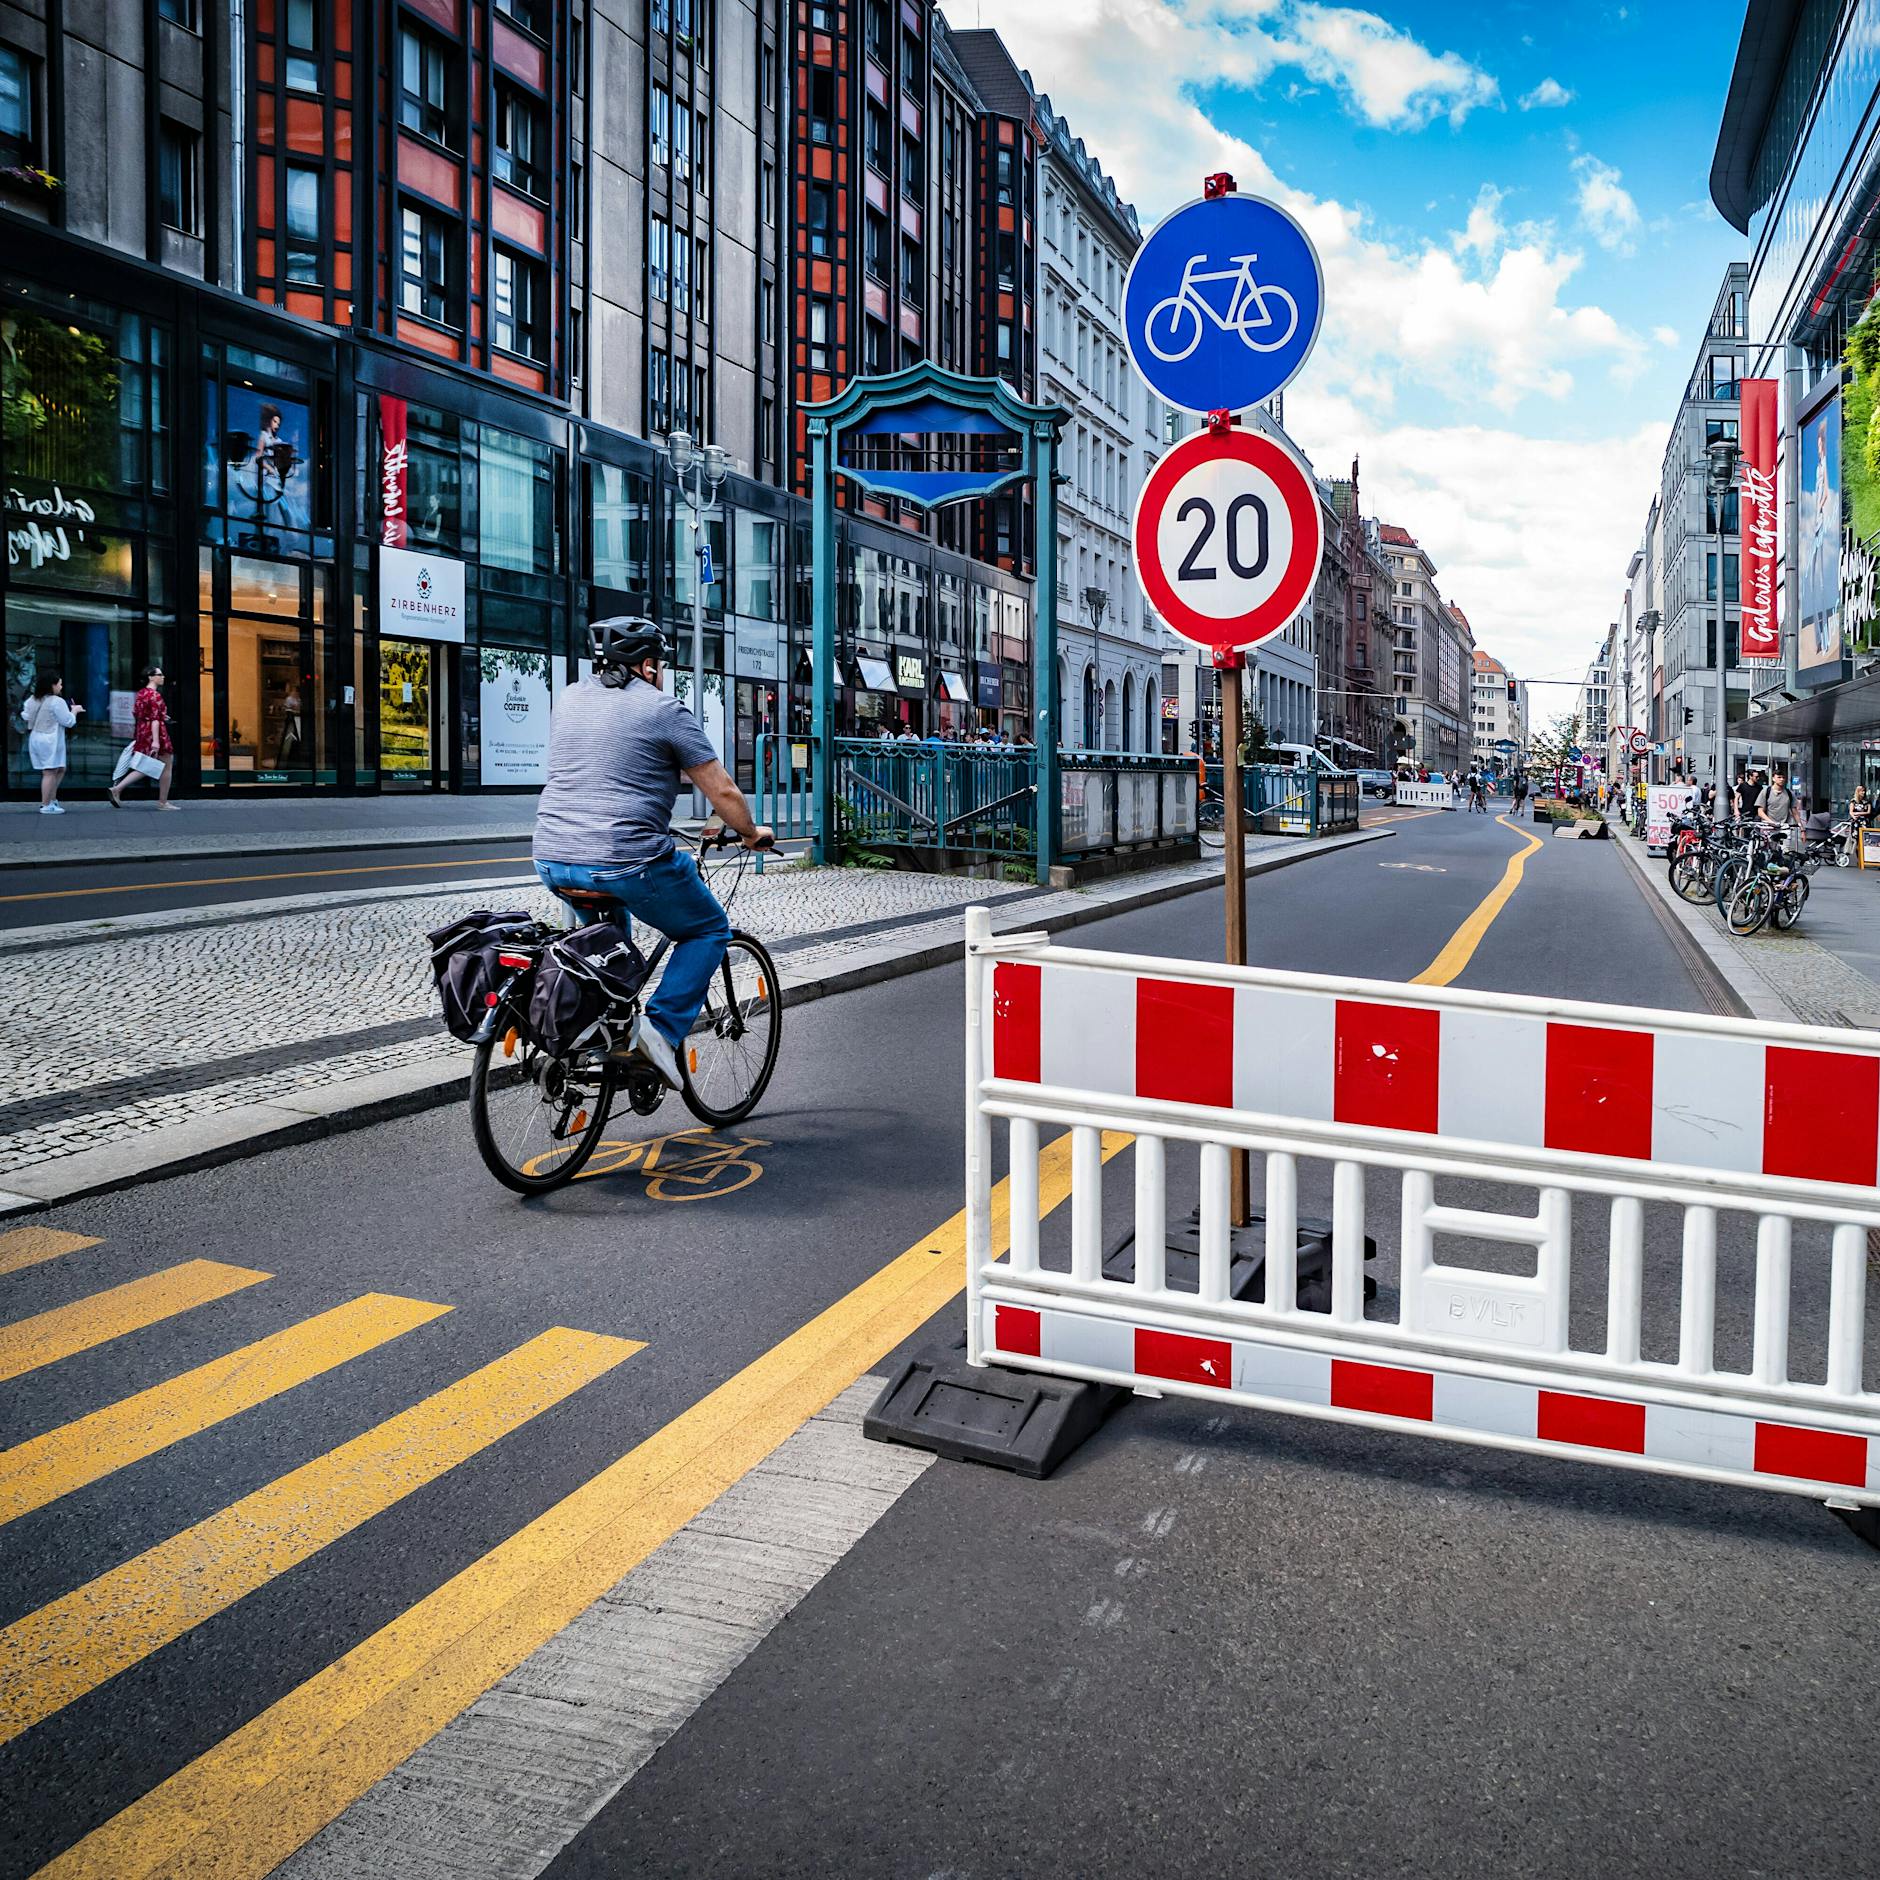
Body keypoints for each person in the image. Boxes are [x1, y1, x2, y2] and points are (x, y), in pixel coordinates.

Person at [532, 618, 773, 1091]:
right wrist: (750, 832)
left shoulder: (570, 700)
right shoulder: (664, 709)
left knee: (604, 948)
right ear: (646, 664)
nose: (662, 672)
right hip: (627, 860)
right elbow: (721, 791)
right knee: (707, 928)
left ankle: (601, 1034)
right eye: (660, 664)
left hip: (552, 858)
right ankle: (658, 1036)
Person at [109, 664, 176, 809]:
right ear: (151, 677)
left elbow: (141, 714)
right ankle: (163, 802)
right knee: (166, 765)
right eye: (159, 675)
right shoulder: (155, 695)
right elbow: (154, 719)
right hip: (155, 733)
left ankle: (117, 789)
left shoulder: (142, 693)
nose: (163, 677)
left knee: (147, 764)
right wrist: (156, 741)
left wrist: (161, 717)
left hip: (143, 732)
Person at [21, 670, 83, 814]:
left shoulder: (32, 699)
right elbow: (68, 721)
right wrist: (75, 711)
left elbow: (25, 716)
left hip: (36, 736)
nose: (61, 687)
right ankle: (46, 804)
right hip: (50, 739)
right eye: (59, 684)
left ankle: (52, 799)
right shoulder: (57, 701)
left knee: (60, 768)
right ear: (52, 685)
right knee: (49, 771)